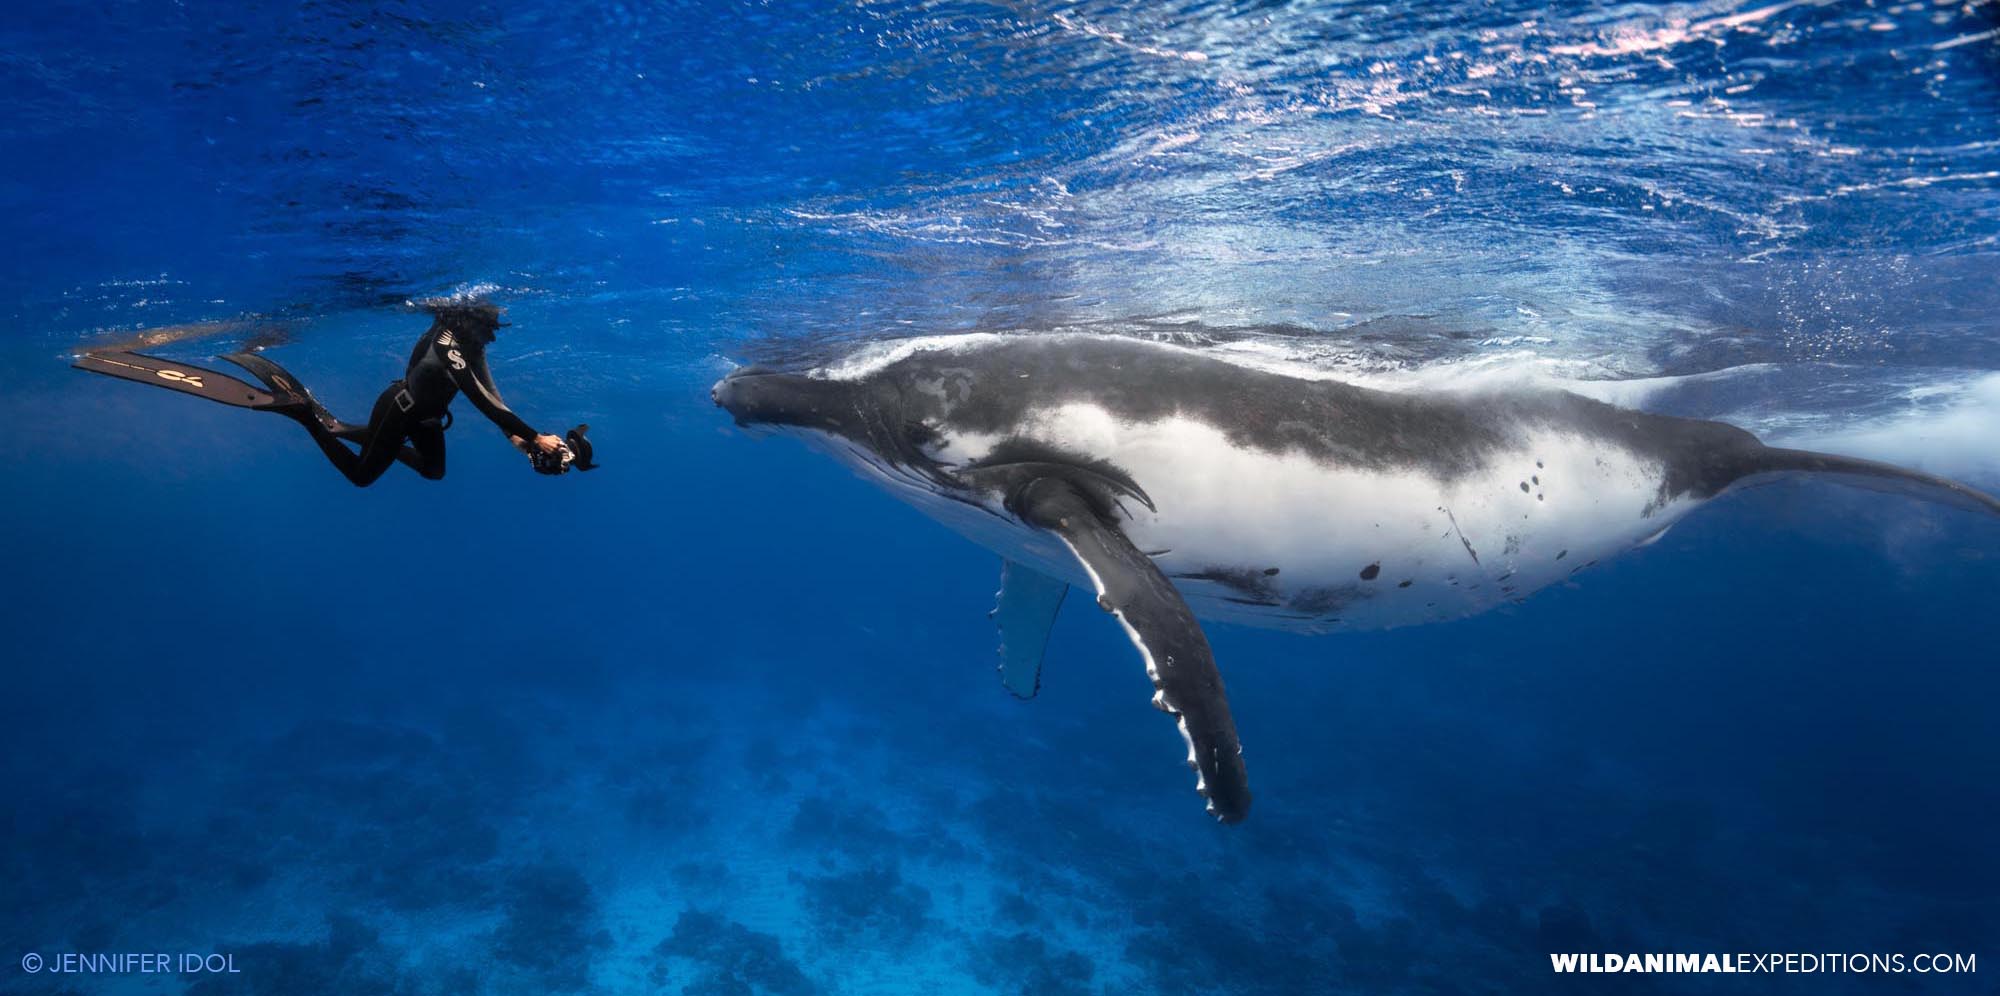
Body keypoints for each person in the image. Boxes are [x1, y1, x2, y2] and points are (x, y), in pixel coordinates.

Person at [74, 300, 596, 486]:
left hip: (428, 420)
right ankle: (307, 418)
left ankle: (344, 428)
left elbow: (492, 393)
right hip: (404, 408)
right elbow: (481, 403)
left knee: (435, 471)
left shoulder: (471, 341)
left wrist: (518, 439)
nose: (493, 332)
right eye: (488, 324)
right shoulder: (447, 343)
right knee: (364, 476)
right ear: (468, 324)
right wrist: (531, 435)